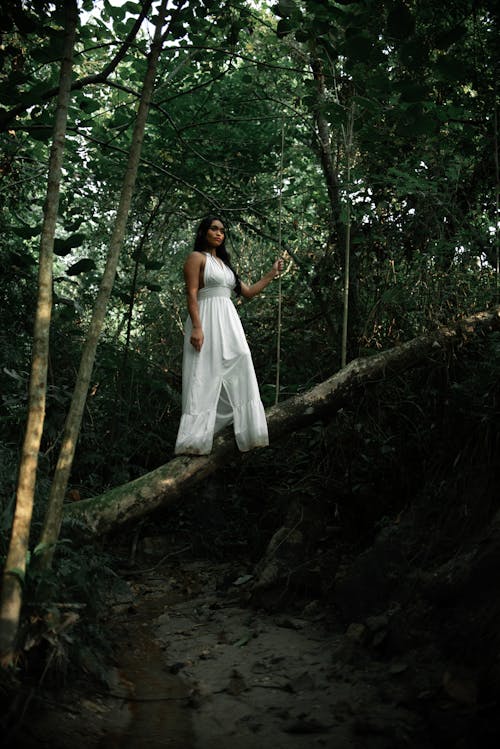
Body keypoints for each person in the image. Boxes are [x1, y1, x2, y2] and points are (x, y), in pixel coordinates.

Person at [175, 216, 283, 456]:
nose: (219, 233)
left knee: (242, 357)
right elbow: (191, 294)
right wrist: (196, 327)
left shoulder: (224, 265)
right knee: (204, 371)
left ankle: (244, 426)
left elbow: (248, 293)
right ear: (204, 232)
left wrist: (271, 273)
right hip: (205, 318)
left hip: (228, 320)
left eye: (222, 230)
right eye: (214, 229)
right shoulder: (196, 258)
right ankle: (195, 438)